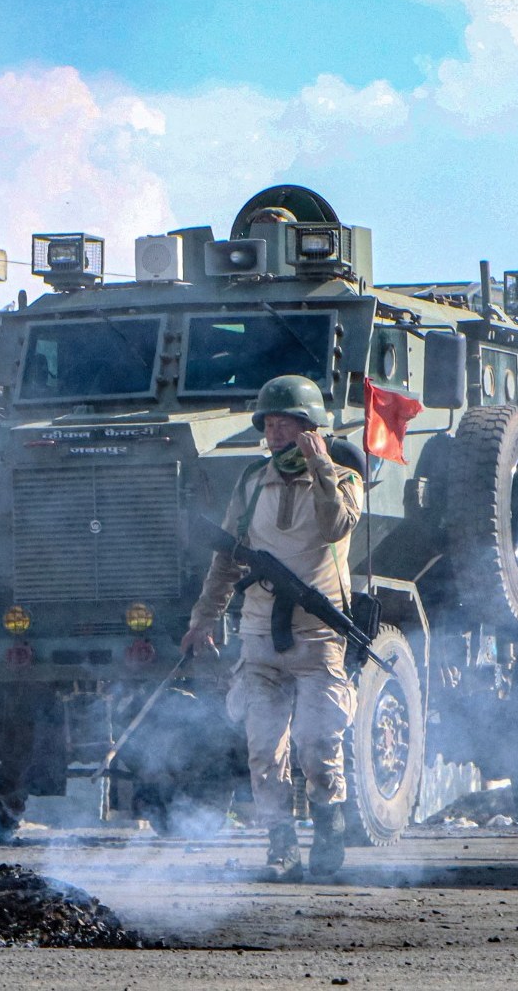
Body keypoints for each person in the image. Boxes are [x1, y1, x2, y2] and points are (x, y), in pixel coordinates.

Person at [183, 375, 362, 883]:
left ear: (312, 428)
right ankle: (280, 846)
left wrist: (320, 465)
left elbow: (335, 525)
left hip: (318, 636)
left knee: (317, 745)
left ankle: (328, 830)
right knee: (264, 749)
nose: (276, 434)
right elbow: (226, 559)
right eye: (270, 424)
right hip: (260, 634)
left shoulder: (344, 479)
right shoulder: (252, 482)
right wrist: (204, 617)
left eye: (288, 424)